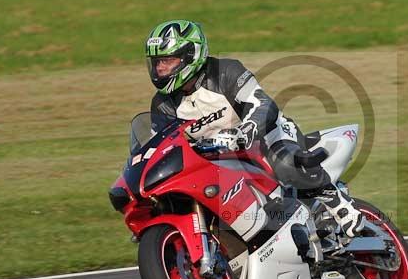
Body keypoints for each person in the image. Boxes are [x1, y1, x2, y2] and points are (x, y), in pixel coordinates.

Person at [146, 19, 364, 237]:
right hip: (217, 157)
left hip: (267, 135)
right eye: (156, 62)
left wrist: (246, 130)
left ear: (191, 56)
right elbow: (162, 148)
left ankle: (334, 199)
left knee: (286, 162)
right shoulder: (162, 104)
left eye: (167, 60)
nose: (160, 68)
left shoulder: (225, 71)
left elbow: (262, 103)